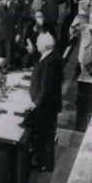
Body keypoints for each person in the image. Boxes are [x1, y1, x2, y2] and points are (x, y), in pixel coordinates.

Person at [27, 32, 64, 171]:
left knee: (47, 134)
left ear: (43, 45)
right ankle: (40, 159)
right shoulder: (48, 56)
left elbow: (46, 87)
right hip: (44, 105)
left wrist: (36, 103)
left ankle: (46, 165)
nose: (36, 44)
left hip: (46, 106)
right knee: (42, 133)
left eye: (37, 43)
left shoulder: (52, 61)